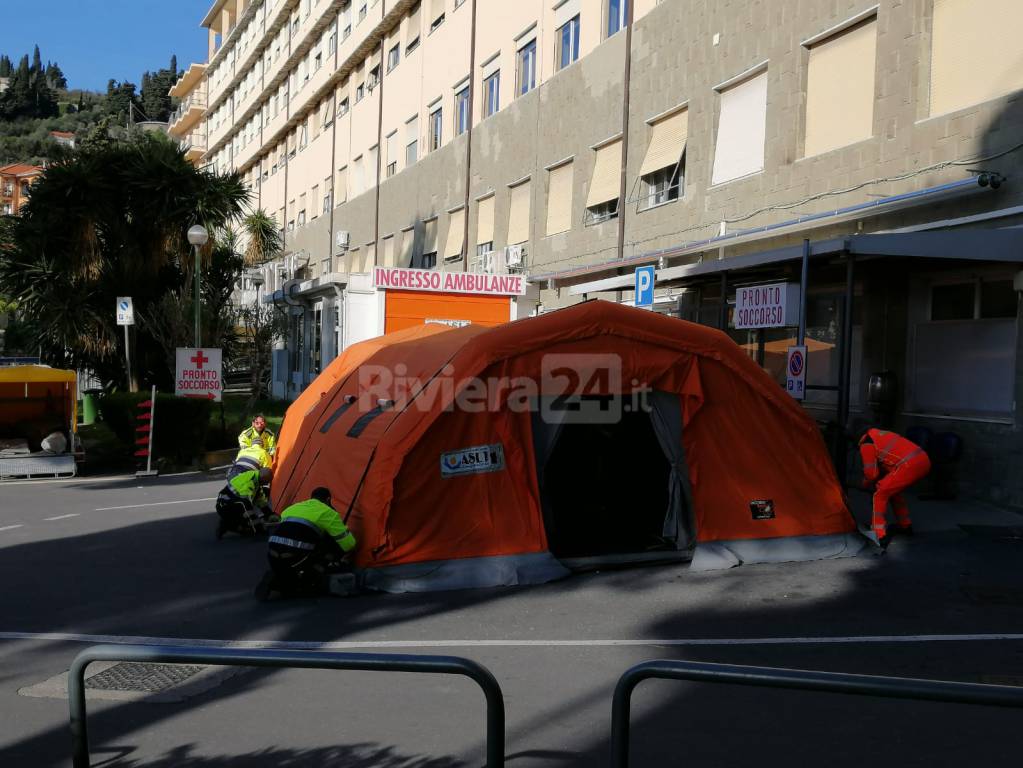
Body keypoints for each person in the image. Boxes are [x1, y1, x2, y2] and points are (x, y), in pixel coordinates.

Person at [255, 487, 357, 600]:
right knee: (303, 585)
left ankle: (278, 575)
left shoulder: (292, 508)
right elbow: (349, 544)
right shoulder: (328, 512)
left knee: (304, 538)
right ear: (328, 499)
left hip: (272, 553)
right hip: (296, 556)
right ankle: (312, 573)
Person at [859, 428, 931, 547]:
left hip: (909, 465)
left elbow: (871, 474)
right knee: (892, 491)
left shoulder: (866, 444)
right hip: (923, 460)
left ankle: (879, 535)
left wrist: (865, 483)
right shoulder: (878, 434)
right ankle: (905, 526)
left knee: (880, 493)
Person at [215, 466, 276, 538]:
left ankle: (228, 524)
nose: (267, 484)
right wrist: (259, 527)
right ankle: (228, 525)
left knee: (247, 526)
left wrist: (269, 514)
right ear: (263, 479)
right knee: (248, 521)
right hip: (224, 506)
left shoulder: (256, 479)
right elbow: (247, 506)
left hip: (231, 503)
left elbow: (260, 500)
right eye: (267, 481)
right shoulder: (249, 482)